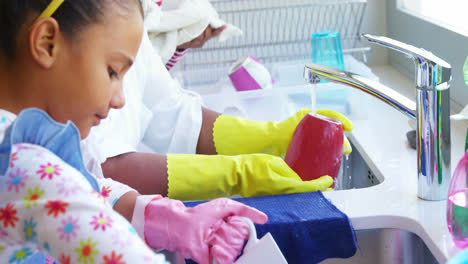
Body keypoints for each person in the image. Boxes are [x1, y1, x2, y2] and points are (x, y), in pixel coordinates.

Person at [0, 1, 268, 263]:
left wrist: (157, 214)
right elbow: (55, 188)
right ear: (47, 43)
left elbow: (85, 181)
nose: (120, 100)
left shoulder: (27, 144)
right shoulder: (21, 164)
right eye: (113, 71)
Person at [82, 0, 354, 201]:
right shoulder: (77, 24)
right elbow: (99, 167)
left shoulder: (126, 13)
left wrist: (272, 135)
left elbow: (175, 114)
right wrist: (238, 175)